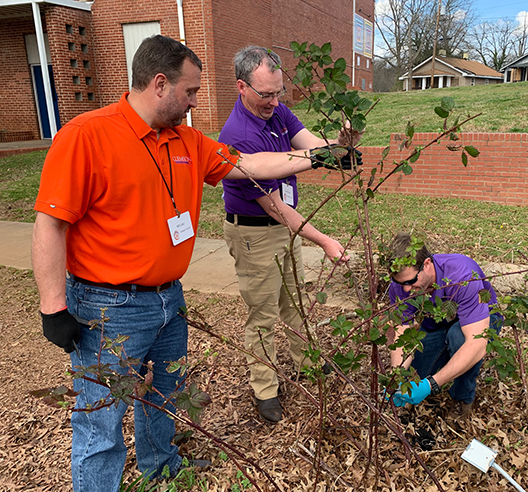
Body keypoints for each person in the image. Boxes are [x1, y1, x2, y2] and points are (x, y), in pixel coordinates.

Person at [32, 35, 339, 492]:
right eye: (191, 91)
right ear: (159, 83)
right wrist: (53, 305)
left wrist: (316, 156)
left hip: (168, 301)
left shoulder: (186, 140)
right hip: (107, 307)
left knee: (163, 393)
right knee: (100, 421)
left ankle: (161, 466)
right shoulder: (87, 136)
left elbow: (250, 164)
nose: (196, 102)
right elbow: (49, 224)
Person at [219, 46, 362, 423]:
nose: (275, 101)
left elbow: (311, 145)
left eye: (279, 91)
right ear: (241, 87)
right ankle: (265, 389)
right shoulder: (238, 136)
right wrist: (326, 241)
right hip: (254, 233)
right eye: (266, 94)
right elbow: (276, 208)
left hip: (284, 231)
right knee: (263, 315)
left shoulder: (277, 111)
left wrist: (345, 139)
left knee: (296, 303)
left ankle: (307, 364)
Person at [386, 232, 502, 421]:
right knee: (418, 370)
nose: (406, 289)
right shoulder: (400, 285)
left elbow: (477, 344)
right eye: (400, 283)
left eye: (410, 282)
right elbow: (403, 331)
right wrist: (395, 376)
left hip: (481, 321)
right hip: (439, 321)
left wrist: (431, 384)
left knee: (459, 338)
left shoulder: (462, 275)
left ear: (427, 264)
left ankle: (462, 398)